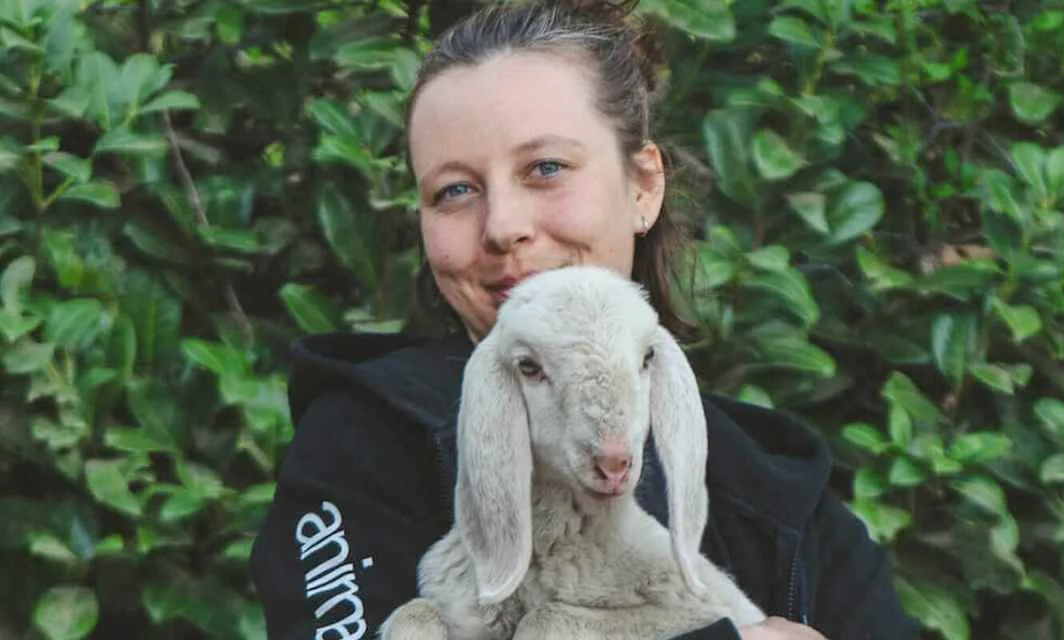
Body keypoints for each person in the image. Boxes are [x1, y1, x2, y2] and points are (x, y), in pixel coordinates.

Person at [248, 1, 922, 638]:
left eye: (545, 168)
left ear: (643, 186)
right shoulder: (362, 449)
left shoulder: (779, 496)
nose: (503, 227)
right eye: (455, 190)